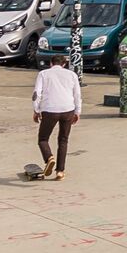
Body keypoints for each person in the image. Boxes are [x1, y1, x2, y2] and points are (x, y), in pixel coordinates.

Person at [28, 51, 81, 179]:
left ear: (51, 63)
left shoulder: (43, 74)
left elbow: (37, 93)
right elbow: (77, 95)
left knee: (43, 139)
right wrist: (77, 112)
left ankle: (49, 158)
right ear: (64, 64)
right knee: (63, 139)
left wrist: (36, 110)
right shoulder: (72, 75)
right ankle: (60, 171)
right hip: (68, 109)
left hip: (49, 109)